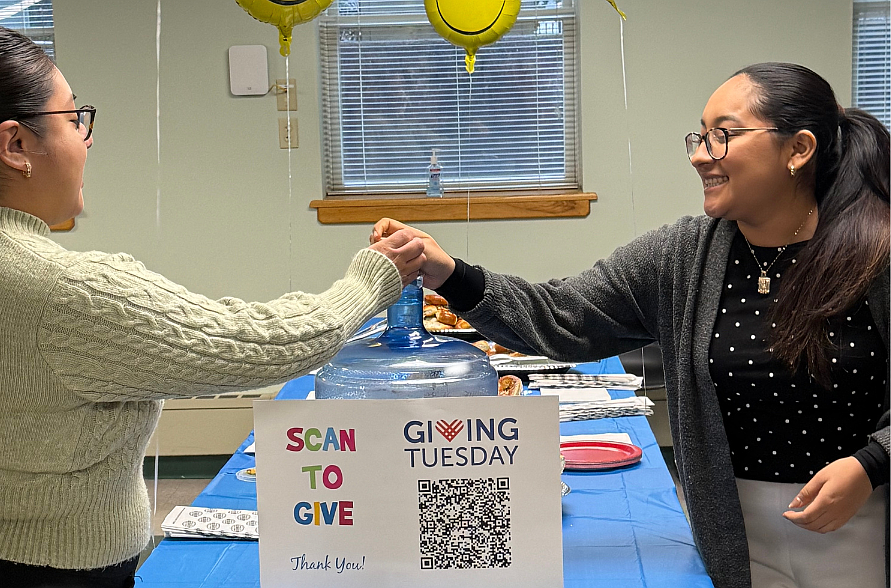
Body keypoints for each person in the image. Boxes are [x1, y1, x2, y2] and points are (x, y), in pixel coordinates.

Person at [372, 62, 889, 588]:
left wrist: (873, 463)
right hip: (734, 533)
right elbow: (563, 316)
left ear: (798, 150)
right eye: (699, 136)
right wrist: (450, 274)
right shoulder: (682, 256)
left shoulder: (877, 255)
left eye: (721, 136)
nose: (698, 155)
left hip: (865, 525)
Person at [0, 24, 425, 588]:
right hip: (52, 572)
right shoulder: (63, 293)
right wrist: (373, 280)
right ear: (15, 145)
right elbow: (266, 342)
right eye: (74, 118)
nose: (87, 138)